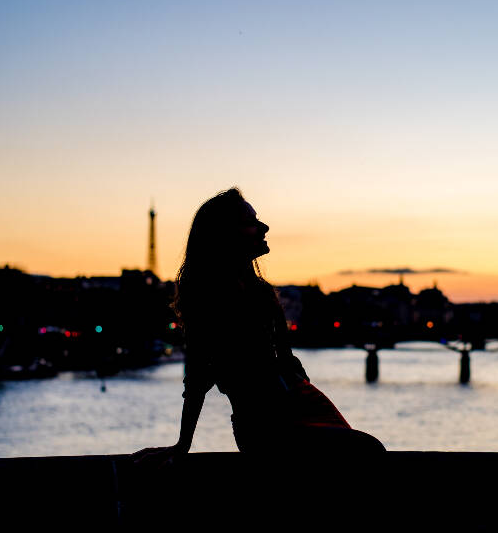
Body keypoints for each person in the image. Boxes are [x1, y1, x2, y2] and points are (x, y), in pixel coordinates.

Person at [133, 187, 385, 464]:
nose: (264, 227)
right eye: (251, 222)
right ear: (226, 234)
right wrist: (182, 445)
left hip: (297, 411)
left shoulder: (261, 292)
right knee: (369, 452)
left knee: (367, 452)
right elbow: (198, 378)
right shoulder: (211, 298)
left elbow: (201, 380)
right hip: (268, 430)